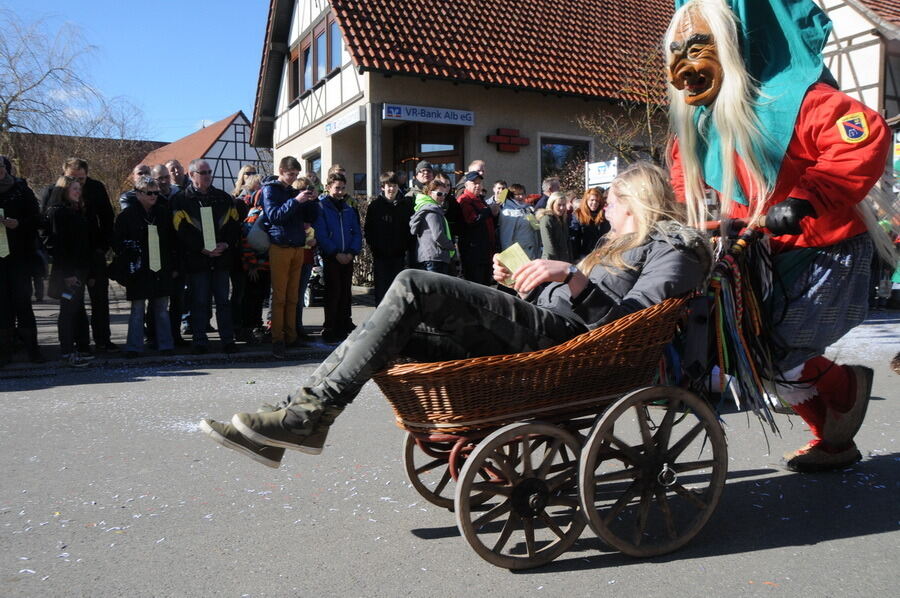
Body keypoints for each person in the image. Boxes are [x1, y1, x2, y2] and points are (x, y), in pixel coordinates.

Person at [200, 161, 712, 468]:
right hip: (546, 327)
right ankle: (299, 413)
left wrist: (572, 277)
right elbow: (574, 296)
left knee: (412, 283)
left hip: (568, 345)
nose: (605, 210)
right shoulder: (616, 243)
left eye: (613, 203)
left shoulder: (671, 249)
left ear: (636, 203)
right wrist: (524, 279)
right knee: (393, 330)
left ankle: (306, 418)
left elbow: (627, 326)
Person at [665, 0, 891, 472]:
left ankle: (844, 392)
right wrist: (687, 217)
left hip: (824, 250)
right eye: (677, 51)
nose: (684, 65)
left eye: (698, 47)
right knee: (749, 353)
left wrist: (808, 197)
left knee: (777, 350)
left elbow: (863, 135)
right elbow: (684, 174)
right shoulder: (700, 120)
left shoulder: (796, 99)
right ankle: (834, 439)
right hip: (757, 254)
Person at [40, 157, 117, 353]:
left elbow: (107, 218)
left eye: (81, 180)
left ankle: (103, 340)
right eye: (73, 179)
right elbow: (46, 230)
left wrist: (102, 247)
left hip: (94, 253)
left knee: (100, 299)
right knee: (73, 303)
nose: (78, 185)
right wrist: (57, 257)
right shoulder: (54, 193)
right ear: (64, 175)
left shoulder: (96, 188)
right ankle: (79, 343)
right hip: (70, 261)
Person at [171, 159, 241, 354]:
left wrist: (226, 244)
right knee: (199, 302)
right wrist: (201, 248)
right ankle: (200, 341)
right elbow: (180, 230)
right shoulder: (181, 199)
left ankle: (227, 340)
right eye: (203, 173)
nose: (208, 176)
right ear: (191, 175)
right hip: (197, 260)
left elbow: (235, 225)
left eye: (209, 172)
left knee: (223, 302)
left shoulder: (223, 198)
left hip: (221, 258)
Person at [113, 176, 176, 358]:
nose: (153, 196)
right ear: (138, 193)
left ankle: (165, 345)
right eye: (149, 193)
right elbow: (117, 243)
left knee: (161, 309)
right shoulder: (127, 216)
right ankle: (134, 347)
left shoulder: (163, 213)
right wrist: (130, 253)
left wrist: (174, 266)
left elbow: (173, 242)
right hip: (139, 270)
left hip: (160, 268)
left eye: (156, 192)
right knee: (137, 310)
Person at [262, 157, 318, 358]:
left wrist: (312, 201)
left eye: (296, 174)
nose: (293, 178)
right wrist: (296, 201)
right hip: (280, 246)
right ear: (281, 171)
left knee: (293, 296)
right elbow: (274, 216)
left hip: (297, 247)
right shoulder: (270, 190)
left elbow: (310, 218)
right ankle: (277, 339)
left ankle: (291, 336)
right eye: (290, 174)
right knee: (279, 297)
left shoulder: (292, 191)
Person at [45, 177, 96, 367]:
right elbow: (58, 246)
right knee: (68, 310)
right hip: (69, 273)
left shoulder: (75, 211)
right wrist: (68, 274)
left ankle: (80, 348)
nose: (78, 192)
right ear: (64, 190)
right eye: (74, 188)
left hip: (80, 270)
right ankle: (67, 352)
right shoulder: (58, 213)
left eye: (79, 189)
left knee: (77, 309)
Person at [0, 155, 43, 366]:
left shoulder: (21, 190)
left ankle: (32, 350)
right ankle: (4, 352)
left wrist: (19, 224)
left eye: (0, 167)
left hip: (19, 256)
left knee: (22, 302)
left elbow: (37, 219)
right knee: (2, 305)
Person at [314, 172, 361, 343]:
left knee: (345, 293)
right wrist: (335, 253)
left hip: (347, 255)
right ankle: (330, 327)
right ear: (328, 187)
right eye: (336, 188)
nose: (340, 192)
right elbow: (321, 233)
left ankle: (343, 325)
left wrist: (351, 252)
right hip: (331, 257)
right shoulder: (321, 207)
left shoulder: (348, 208)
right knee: (333, 292)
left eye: (342, 188)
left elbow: (356, 232)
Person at [364, 171, 414, 302]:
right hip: (380, 256)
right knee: (382, 291)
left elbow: (409, 230)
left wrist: (404, 247)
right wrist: (375, 248)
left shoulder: (405, 205)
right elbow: (369, 230)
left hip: (399, 255)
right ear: (383, 187)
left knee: (398, 292)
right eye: (389, 186)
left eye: (394, 186)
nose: (392, 189)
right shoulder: (375, 206)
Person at [456, 171, 499, 285]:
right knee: (476, 285)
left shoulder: (480, 199)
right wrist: (489, 210)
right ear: (466, 185)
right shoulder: (464, 200)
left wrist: (494, 214)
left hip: (485, 251)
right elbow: (471, 221)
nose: (478, 186)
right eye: (474, 183)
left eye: (479, 183)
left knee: (485, 285)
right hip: (474, 253)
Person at [409, 179, 456, 274]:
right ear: (430, 193)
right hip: (435, 258)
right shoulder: (432, 210)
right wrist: (451, 246)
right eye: (439, 194)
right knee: (436, 284)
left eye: (444, 194)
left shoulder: (426, 208)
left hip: (429, 256)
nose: (442, 197)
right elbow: (438, 235)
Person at [497, 182, 542, 260]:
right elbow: (506, 238)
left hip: (532, 252)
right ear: (511, 196)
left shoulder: (528, 209)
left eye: (522, 194)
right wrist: (509, 258)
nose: (521, 196)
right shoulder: (507, 211)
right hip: (518, 255)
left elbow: (536, 229)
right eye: (517, 194)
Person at [570, 187, 611, 260]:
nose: (594, 203)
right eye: (592, 200)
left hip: (601, 253)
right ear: (586, 201)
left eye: (597, 201)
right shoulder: (578, 215)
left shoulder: (603, 214)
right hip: (584, 254)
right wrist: (576, 256)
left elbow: (607, 234)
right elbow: (574, 239)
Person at [540, 192, 573, 262]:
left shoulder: (563, 219)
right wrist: (557, 263)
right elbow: (549, 246)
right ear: (552, 204)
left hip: (564, 260)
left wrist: (570, 261)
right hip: (551, 261)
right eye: (559, 205)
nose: (562, 208)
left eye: (564, 205)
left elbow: (567, 242)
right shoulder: (546, 219)